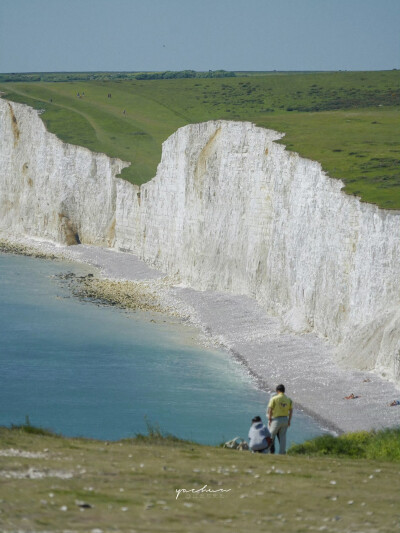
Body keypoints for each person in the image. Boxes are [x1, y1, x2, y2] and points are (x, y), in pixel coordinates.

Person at [267, 384, 293, 455]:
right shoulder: (288, 400)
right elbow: (291, 411)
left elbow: (270, 409)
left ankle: (268, 451)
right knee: (282, 438)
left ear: (277, 391)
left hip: (276, 419)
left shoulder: (274, 398)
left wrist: (269, 419)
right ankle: (282, 453)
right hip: (285, 419)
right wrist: (289, 421)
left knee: (270, 435)